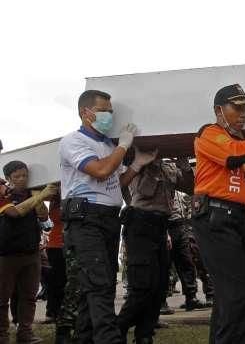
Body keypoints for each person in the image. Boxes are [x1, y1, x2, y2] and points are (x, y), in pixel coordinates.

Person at [192, 84, 245, 343]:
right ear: (219, 110)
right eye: (236, 108)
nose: (243, 114)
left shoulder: (244, 145)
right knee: (236, 291)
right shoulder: (210, 134)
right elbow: (231, 156)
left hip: (241, 218)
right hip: (217, 218)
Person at [58, 89, 141, 344]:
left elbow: (117, 181)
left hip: (108, 217)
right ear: (87, 113)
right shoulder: (74, 141)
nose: (110, 116)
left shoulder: (107, 145)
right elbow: (102, 171)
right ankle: (109, 339)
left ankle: (84, 339)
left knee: (92, 288)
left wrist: (137, 165)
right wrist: (124, 146)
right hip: (85, 218)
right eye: (105, 110)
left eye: (111, 111)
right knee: (99, 283)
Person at [118, 153, 194, 343]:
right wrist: (151, 165)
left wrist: (184, 167)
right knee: (142, 286)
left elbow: (189, 188)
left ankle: (145, 335)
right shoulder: (138, 163)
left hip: (161, 225)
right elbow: (145, 191)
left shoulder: (168, 167)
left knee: (159, 286)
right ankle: (116, 330)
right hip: (140, 224)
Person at [0, 161, 58, 344]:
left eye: (25, 175)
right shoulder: (4, 193)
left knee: (29, 296)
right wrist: (41, 196)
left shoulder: (33, 192)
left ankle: (25, 333)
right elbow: (15, 213)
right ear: (9, 179)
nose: (22, 179)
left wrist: (39, 197)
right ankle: (2, 335)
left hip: (31, 253)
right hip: (6, 255)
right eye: (17, 176)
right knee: (2, 299)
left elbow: (43, 216)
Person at [168, 191, 213, 310]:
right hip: (172, 223)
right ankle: (163, 302)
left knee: (191, 261)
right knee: (168, 264)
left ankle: (194, 296)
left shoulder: (189, 186)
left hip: (187, 224)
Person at [45, 190, 66, 321]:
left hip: (66, 244)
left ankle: (60, 312)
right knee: (55, 281)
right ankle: (52, 312)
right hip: (55, 245)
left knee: (65, 281)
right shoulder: (54, 199)